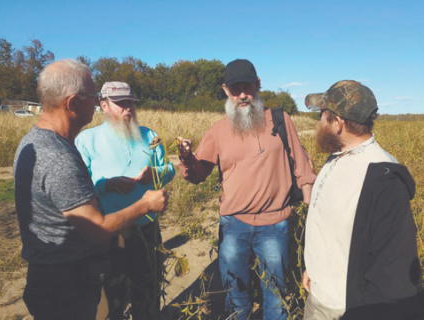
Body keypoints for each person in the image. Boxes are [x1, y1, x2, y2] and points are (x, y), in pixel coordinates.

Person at [13, 59, 168, 320]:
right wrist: (145, 205)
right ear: (73, 103)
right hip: (64, 287)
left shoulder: (35, 141)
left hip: (57, 277)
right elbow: (97, 229)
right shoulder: (59, 156)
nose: (97, 102)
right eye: (93, 96)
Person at [178, 59, 316, 320]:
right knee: (235, 295)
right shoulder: (218, 130)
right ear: (226, 90)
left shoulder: (280, 120)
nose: (242, 94)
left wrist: (312, 217)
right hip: (233, 226)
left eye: (247, 87)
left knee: (276, 296)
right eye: (235, 89)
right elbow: (197, 174)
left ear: (258, 85)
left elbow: (302, 168)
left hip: (275, 225)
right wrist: (186, 158)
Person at [302, 80, 421, 320]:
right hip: (318, 292)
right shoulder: (338, 155)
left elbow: (391, 272)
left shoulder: (383, 179)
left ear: (338, 123)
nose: (318, 124)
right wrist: (312, 268)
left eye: (322, 116)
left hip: (343, 307)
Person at [75, 81, 175, 320]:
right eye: (120, 104)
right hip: (109, 233)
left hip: (147, 228)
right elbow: (79, 186)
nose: (128, 109)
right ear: (104, 106)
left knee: (148, 287)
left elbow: (168, 168)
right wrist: (107, 184)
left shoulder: (150, 136)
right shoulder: (87, 140)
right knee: (110, 295)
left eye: (130, 103)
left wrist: (156, 173)